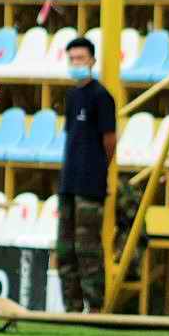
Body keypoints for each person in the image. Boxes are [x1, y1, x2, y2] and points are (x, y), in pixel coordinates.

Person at [57, 36, 117, 314]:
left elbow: (110, 140)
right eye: (72, 59)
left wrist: (99, 168)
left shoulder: (101, 96)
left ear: (92, 60)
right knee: (65, 249)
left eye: (81, 58)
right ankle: (71, 307)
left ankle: (95, 307)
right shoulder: (72, 96)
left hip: (90, 185)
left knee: (88, 248)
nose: (76, 63)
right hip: (68, 183)